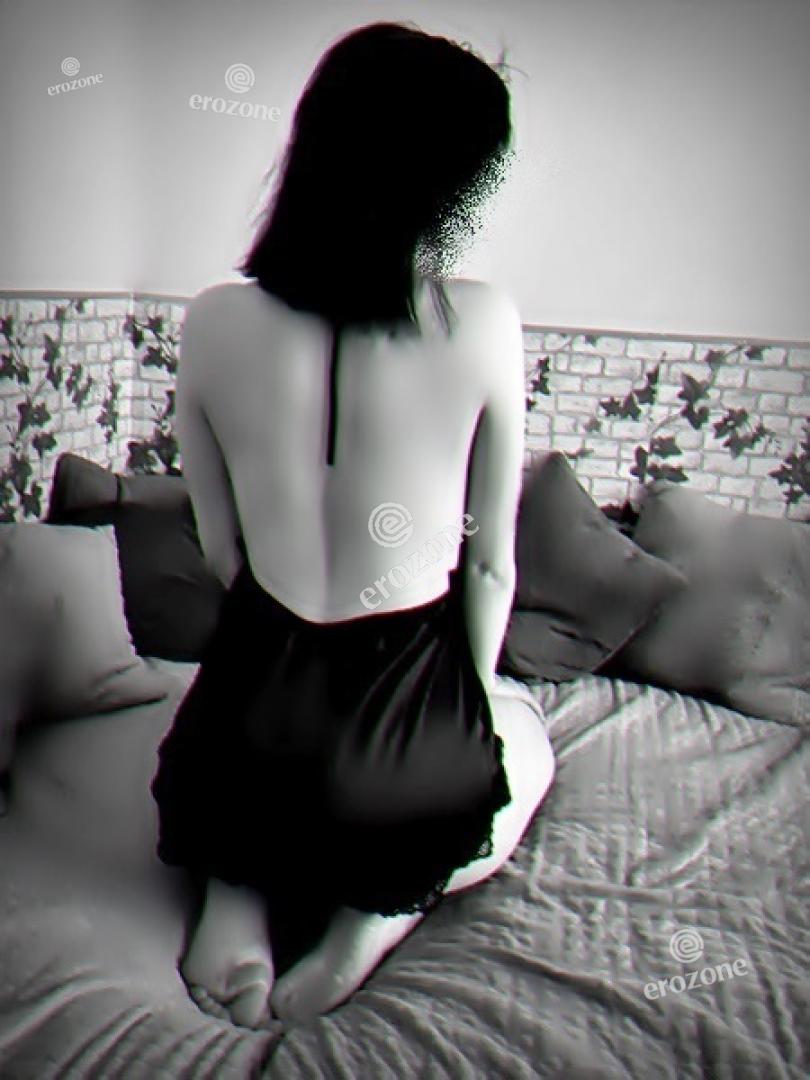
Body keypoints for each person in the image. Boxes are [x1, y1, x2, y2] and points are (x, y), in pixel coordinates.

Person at [149, 19, 555, 1028]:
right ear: (444, 184)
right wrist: (460, 704)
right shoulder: (482, 320)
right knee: (527, 743)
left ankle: (235, 896)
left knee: (238, 780)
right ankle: (365, 927)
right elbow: (492, 570)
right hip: (397, 745)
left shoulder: (212, 318)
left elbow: (222, 552)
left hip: (245, 735)